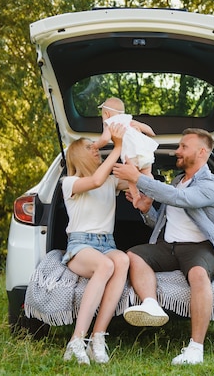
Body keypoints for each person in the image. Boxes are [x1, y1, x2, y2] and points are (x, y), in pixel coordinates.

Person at [112, 128, 214, 366]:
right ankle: (151, 304)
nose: (177, 151)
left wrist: (138, 178)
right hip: (168, 245)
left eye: (183, 147)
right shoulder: (178, 181)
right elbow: (164, 220)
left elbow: (181, 200)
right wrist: (147, 210)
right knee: (134, 255)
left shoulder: (212, 184)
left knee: (199, 275)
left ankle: (195, 348)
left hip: (199, 247)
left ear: (201, 152)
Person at [61, 123, 130, 365]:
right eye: (90, 148)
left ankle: (97, 338)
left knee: (122, 260)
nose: (96, 150)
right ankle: (76, 341)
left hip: (106, 243)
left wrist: (133, 146)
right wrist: (117, 147)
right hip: (81, 246)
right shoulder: (70, 183)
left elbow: (141, 177)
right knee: (105, 266)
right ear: (78, 155)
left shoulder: (110, 182)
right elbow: (97, 181)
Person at [93, 97, 158, 208]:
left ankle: (136, 196)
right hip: (146, 153)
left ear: (107, 114)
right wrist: (151, 134)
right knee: (147, 174)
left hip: (131, 157)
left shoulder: (110, 123)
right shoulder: (129, 120)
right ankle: (152, 191)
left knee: (131, 178)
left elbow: (104, 139)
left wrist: (95, 146)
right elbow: (148, 129)